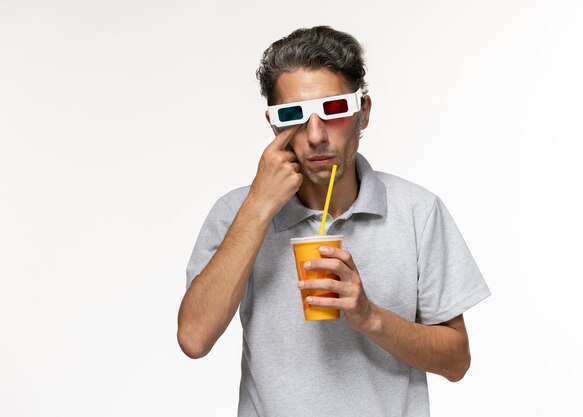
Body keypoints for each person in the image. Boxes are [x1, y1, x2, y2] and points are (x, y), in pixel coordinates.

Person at [177, 26, 490, 417]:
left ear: (364, 114)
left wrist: (370, 316)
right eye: (293, 116)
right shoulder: (237, 212)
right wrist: (259, 207)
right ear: (274, 127)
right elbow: (193, 338)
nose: (315, 135)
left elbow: (456, 361)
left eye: (334, 109)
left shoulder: (417, 211)